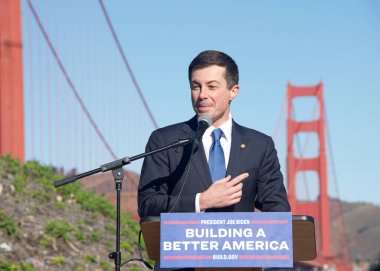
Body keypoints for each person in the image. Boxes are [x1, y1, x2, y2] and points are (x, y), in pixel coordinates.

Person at [138, 50, 290, 270]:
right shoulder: (165, 140)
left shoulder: (260, 145)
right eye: (195, 86)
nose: (202, 95)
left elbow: (278, 212)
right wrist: (202, 201)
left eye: (212, 86)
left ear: (233, 91)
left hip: (241, 265)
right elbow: (147, 204)